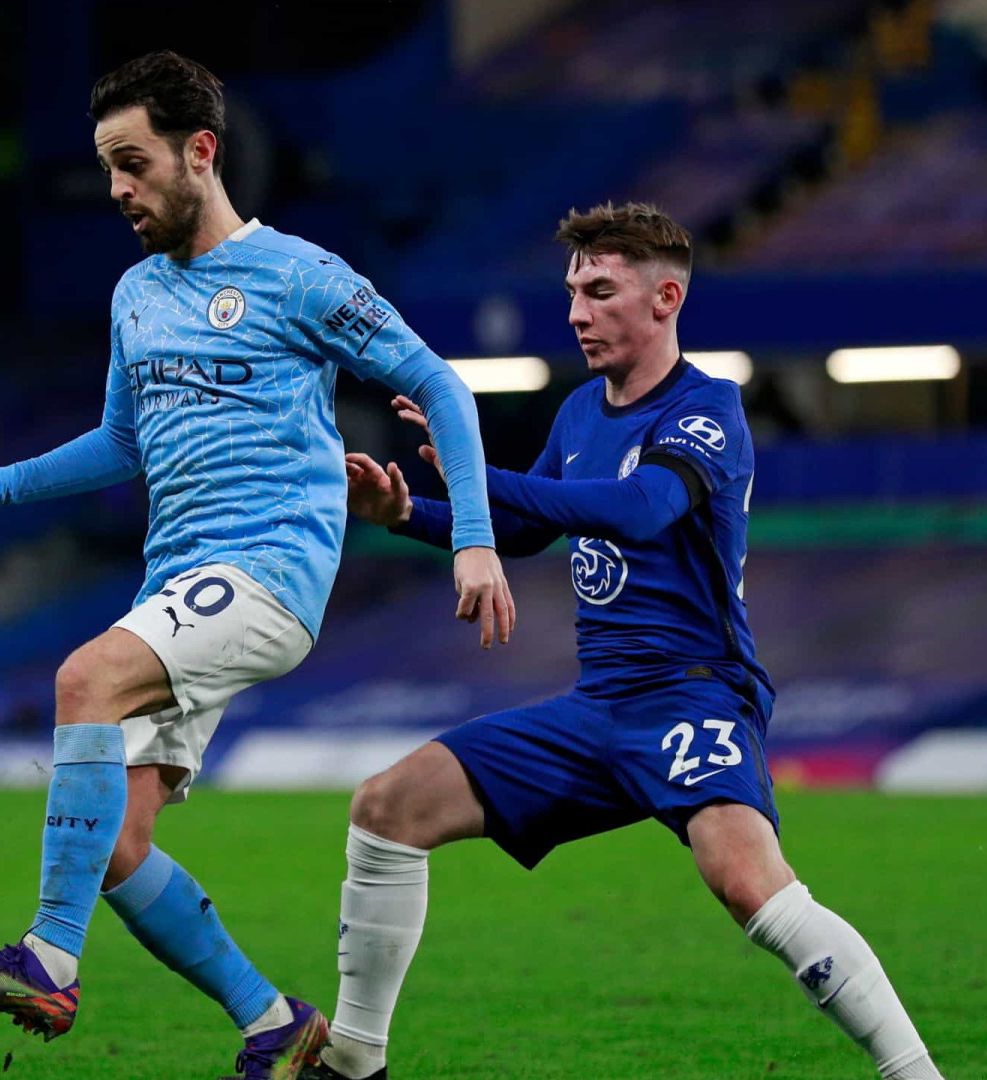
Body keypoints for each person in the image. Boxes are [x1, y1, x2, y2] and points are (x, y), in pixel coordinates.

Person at [0, 51, 513, 1079]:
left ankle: (47, 956)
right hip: (177, 584)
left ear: (202, 151)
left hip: (270, 568)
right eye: (108, 169)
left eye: (133, 163)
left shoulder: (298, 276)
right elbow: (119, 445)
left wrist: (474, 538)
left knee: (83, 680)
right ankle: (273, 1020)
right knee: (118, 844)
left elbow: (440, 384)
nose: (118, 189)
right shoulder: (136, 293)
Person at [302, 203, 944, 1080]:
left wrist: (467, 468)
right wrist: (410, 513)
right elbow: (524, 531)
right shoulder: (578, 413)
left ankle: (917, 1074)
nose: (577, 312)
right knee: (386, 809)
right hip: (598, 704)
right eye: (573, 291)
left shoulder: (709, 412)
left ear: (664, 298)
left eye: (600, 291)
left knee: (748, 884)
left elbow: (642, 510)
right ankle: (354, 1062)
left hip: (695, 691)